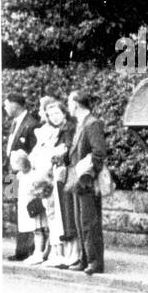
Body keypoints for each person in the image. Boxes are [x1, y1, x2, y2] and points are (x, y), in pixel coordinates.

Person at [31, 97, 78, 267]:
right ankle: (61, 253)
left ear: (64, 112)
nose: (55, 117)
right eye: (51, 115)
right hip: (55, 176)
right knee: (57, 215)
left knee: (64, 215)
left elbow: (65, 151)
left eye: (57, 113)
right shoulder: (57, 131)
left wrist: (54, 156)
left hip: (64, 175)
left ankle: (68, 254)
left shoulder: (68, 129)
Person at [66, 89, 108, 275]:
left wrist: (88, 174)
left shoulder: (92, 123)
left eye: (69, 102)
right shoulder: (82, 123)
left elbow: (99, 153)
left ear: (75, 104)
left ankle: (94, 262)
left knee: (89, 223)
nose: (68, 106)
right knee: (80, 221)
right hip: (79, 180)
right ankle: (85, 260)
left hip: (86, 181)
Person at [9, 151, 49, 263]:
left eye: (23, 163)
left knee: (38, 228)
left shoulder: (34, 174)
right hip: (23, 205)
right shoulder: (18, 175)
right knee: (31, 229)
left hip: (33, 205)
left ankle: (40, 252)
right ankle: (34, 252)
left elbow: (39, 187)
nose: (23, 167)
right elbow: (13, 192)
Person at [4, 92, 38, 169]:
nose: (5, 108)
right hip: (11, 170)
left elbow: (34, 153)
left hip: (24, 172)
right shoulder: (15, 122)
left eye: (6, 105)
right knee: (8, 181)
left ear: (14, 106)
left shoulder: (32, 124)